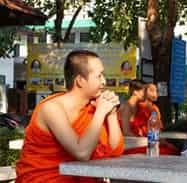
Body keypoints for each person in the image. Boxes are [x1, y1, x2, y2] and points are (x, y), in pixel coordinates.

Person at [16, 50, 124, 183]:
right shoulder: (52, 108)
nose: (104, 81)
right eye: (99, 76)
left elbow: (114, 152)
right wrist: (101, 112)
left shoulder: (92, 107)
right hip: (44, 179)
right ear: (80, 81)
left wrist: (111, 112)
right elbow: (82, 153)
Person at [120, 82, 179, 155]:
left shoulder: (141, 108)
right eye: (144, 91)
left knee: (172, 150)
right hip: (131, 145)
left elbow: (154, 130)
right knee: (165, 152)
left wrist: (164, 143)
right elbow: (126, 132)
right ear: (135, 92)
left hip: (142, 142)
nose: (145, 94)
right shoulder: (126, 107)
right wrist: (146, 141)